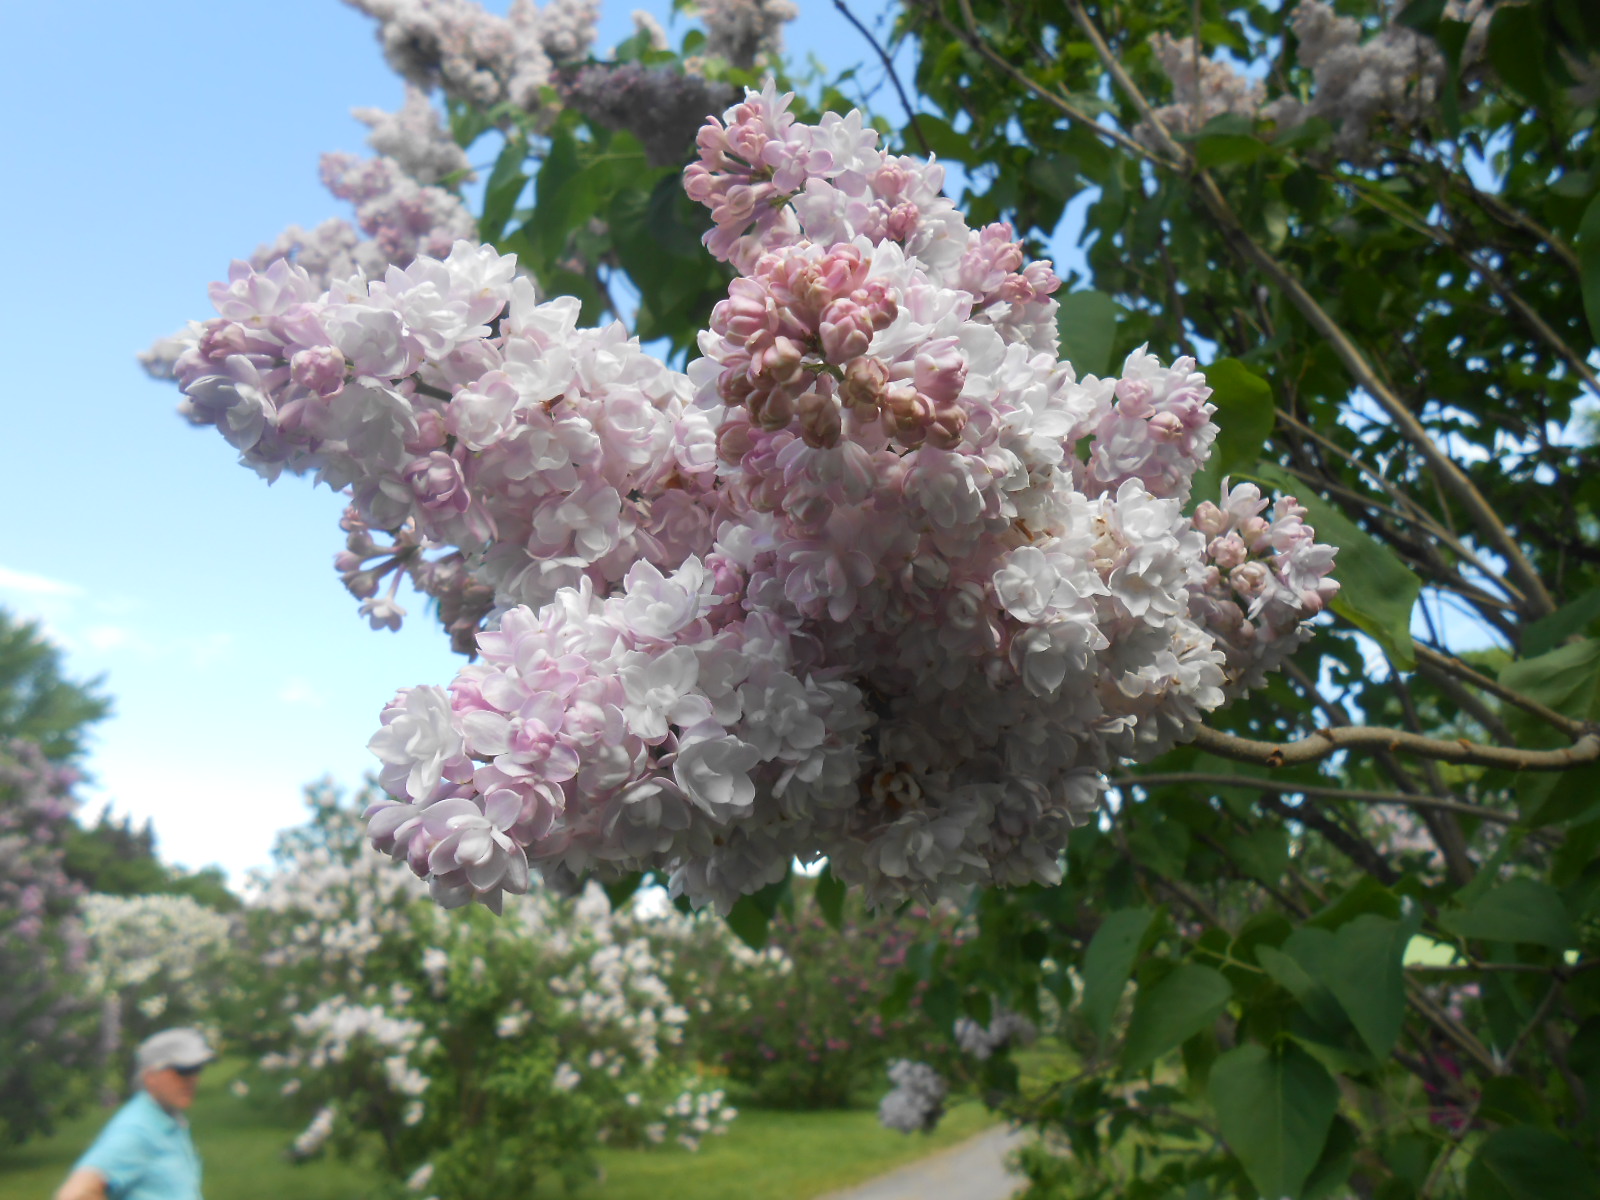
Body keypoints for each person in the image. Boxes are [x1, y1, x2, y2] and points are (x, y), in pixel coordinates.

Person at [54, 1027, 213, 1200]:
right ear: (150, 1076)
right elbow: (76, 1195)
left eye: (196, 1068)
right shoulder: (137, 1130)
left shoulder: (167, 1119)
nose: (193, 1078)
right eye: (182, 1070)